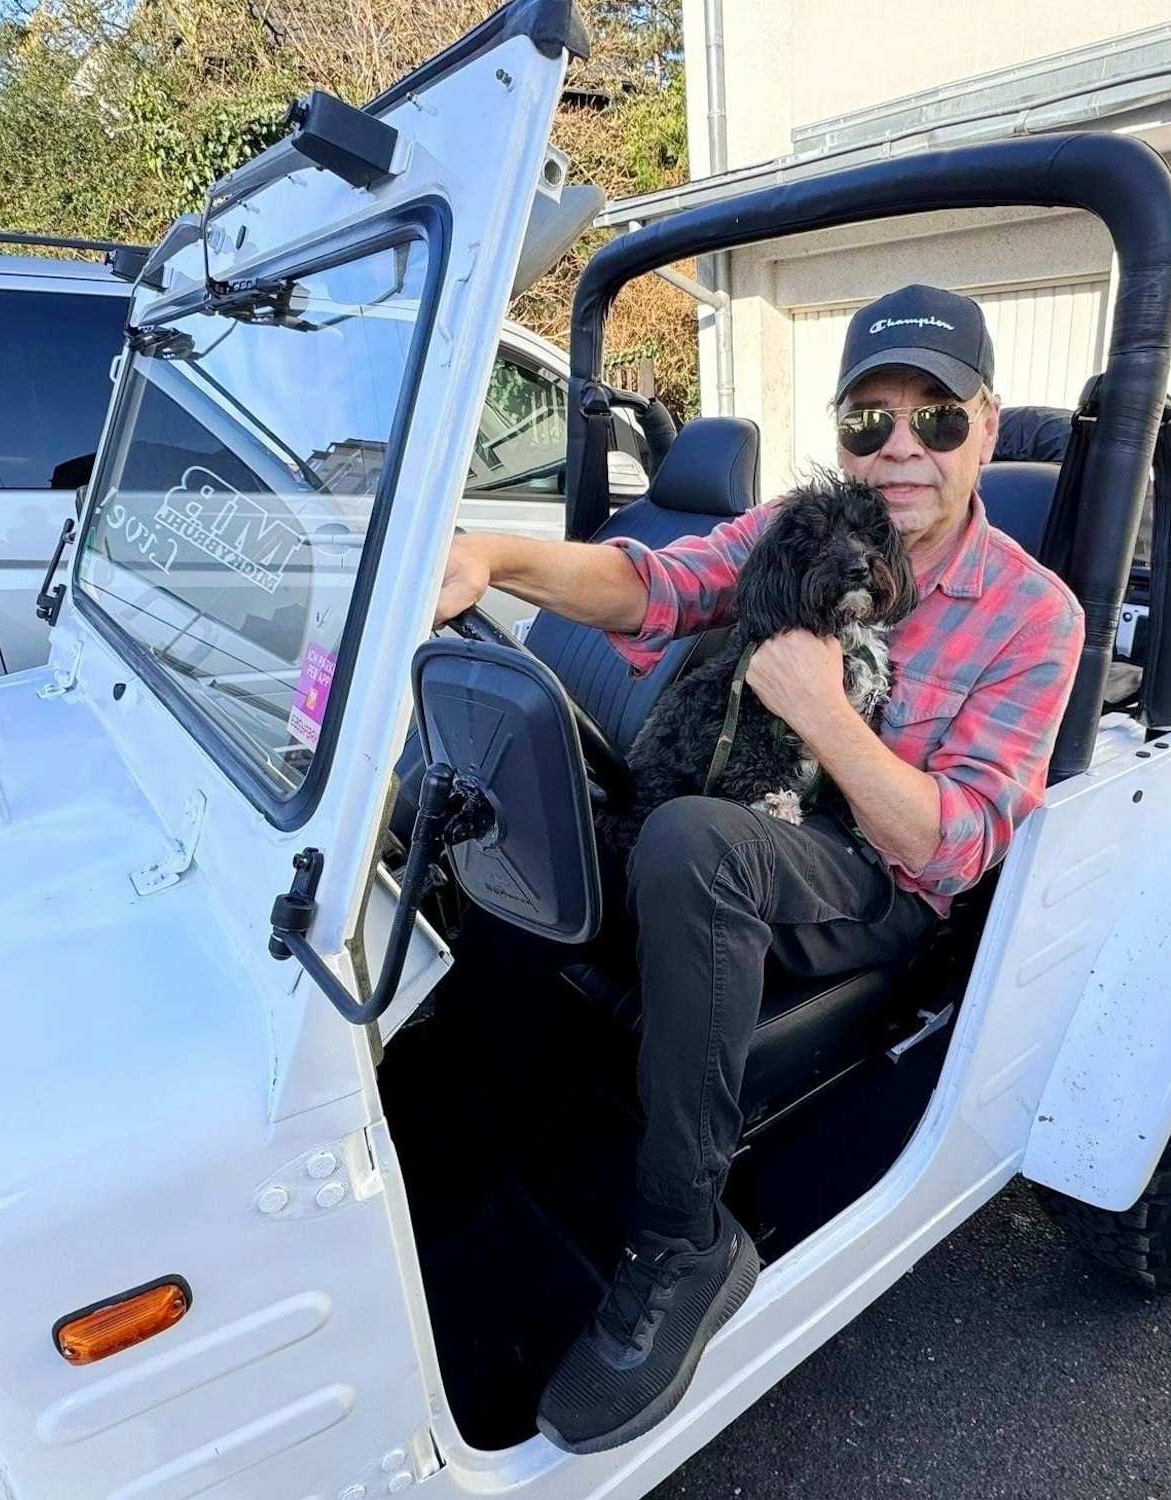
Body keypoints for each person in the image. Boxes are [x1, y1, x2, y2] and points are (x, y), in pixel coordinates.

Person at [433, 285, 1086, 1454]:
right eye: (866, 420)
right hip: (754, 823)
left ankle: (682, 1235)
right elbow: (655, 586)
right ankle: (462, 1120)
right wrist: (489, 554)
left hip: (877, 878)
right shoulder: (800, 528)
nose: (899, 449)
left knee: (689, 842)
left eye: (934, 420)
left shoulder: (1034, 616)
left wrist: (827, 717)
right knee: (534, 805)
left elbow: (958, 843)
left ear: (986, 428)